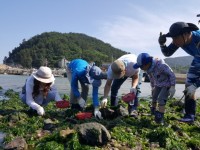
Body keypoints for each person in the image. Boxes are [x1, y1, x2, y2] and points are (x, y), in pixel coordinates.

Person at [158, 21, 200, 123]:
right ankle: (189, 116)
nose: (174, 41)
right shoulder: (180, 40)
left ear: (186, 34)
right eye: (172, 38)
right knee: (188, 84)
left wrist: (195, 85)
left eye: (175, 38)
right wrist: (162, 44)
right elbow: (168, 53)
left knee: (192, 86)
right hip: (198, 59)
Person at [134, 53, 176, 124]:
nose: (140, 68)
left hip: (166, 84)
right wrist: (153, 87)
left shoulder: (161, 66)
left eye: (141, 67)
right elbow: (151, 78)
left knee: (161, 99)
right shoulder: (149, 69)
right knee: (154, 96)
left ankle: (160, 117)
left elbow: (171, 74)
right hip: (158, 84)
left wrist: (172, 86)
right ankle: (153, 112)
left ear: (147, 64)